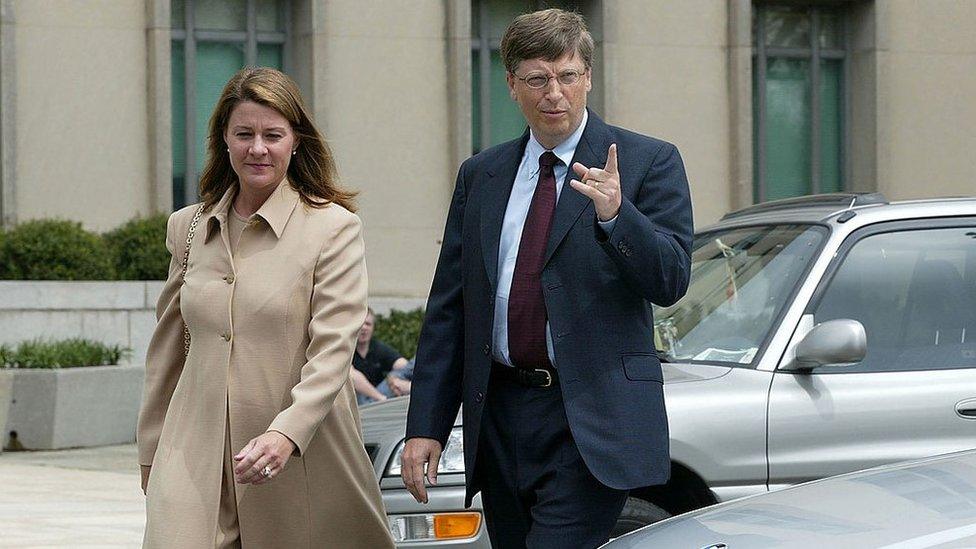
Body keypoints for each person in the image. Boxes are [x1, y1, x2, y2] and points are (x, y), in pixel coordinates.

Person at [401, 8, 693, 548]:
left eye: (567, 75)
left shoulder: (646, 161)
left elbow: (672, 278)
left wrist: (616, 215)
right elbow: (452, 306)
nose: (553, 92)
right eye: (537, 78)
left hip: (588, 418)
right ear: (512, 85)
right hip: (503, 414)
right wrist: (426, 426)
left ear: (588, 77)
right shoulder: (482, 175)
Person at [136, 67, 394, 548]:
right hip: (192, 454)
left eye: (273, 135)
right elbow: (167, 352)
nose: (258, 148)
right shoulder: (188, 228)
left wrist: (286, 433)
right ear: (224, 141)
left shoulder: (332, 229)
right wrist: (151, 452)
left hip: (298, 454)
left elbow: (333, 350)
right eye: (244, 134)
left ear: (296, 142)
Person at [351, 308, 411, 404]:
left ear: (373, 327)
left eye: (368, 324)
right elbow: (352, 376)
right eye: (361, 323)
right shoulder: (347, 350)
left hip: (379, 399)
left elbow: (404, 366)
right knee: (349, 374)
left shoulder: (378, 348)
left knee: (404, 371)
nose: (364, 328)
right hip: (356, 401)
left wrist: (394, 378)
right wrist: (381, 398)